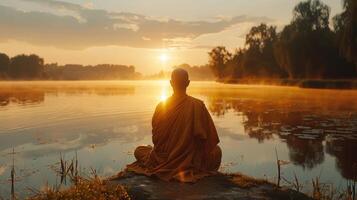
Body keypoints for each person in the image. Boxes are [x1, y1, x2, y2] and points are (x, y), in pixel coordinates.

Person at [126, 68, 221, 182]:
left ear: (171, 83)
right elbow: (208, 140)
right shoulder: (197, 105)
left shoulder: (161, 106)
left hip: (162, 159)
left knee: (139, 150)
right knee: (217, 151)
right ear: (188, 83)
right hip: (189, 161)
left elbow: (156, 139)